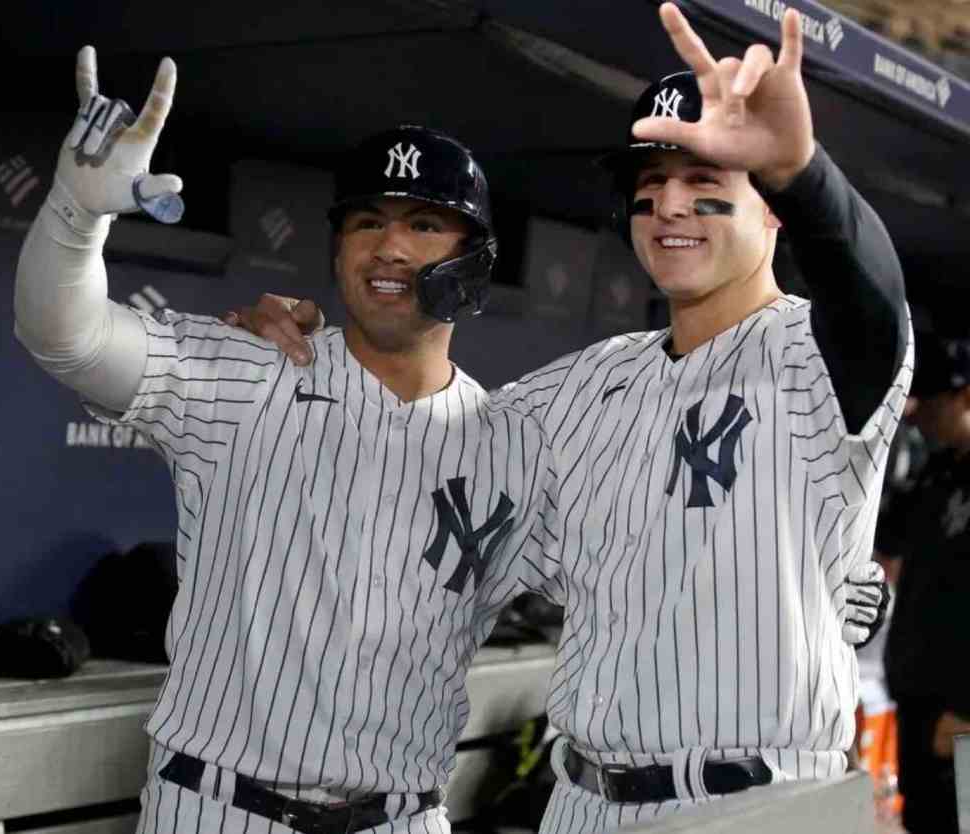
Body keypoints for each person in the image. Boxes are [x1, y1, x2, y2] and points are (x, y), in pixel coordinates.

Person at [229, 4, 909, 829]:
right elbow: (417, 446)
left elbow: (871, 294)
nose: (669, 205)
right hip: (585, 800)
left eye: (705, 183)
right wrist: (305, 356)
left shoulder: (820, 354)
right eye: (649, 187)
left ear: (768, 210)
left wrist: (801, 172)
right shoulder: (581, 387)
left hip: (757, 800)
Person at [13, 47, 561, 834]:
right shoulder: (248, 372)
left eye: (423, 224)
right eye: (367, 222)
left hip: (403, 816)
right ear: (338, 251)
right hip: (221, 808)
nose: (390, 247)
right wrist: (75, 213)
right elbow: (66, 336)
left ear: (475, 261)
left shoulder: (513, 445)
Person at [877, 331, 970, 834]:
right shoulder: (935, 472)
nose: (922, 416)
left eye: (932, 404)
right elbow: (887, 540)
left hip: (961, 711)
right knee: (925, 821)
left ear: (965, 396)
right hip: (918, 697)